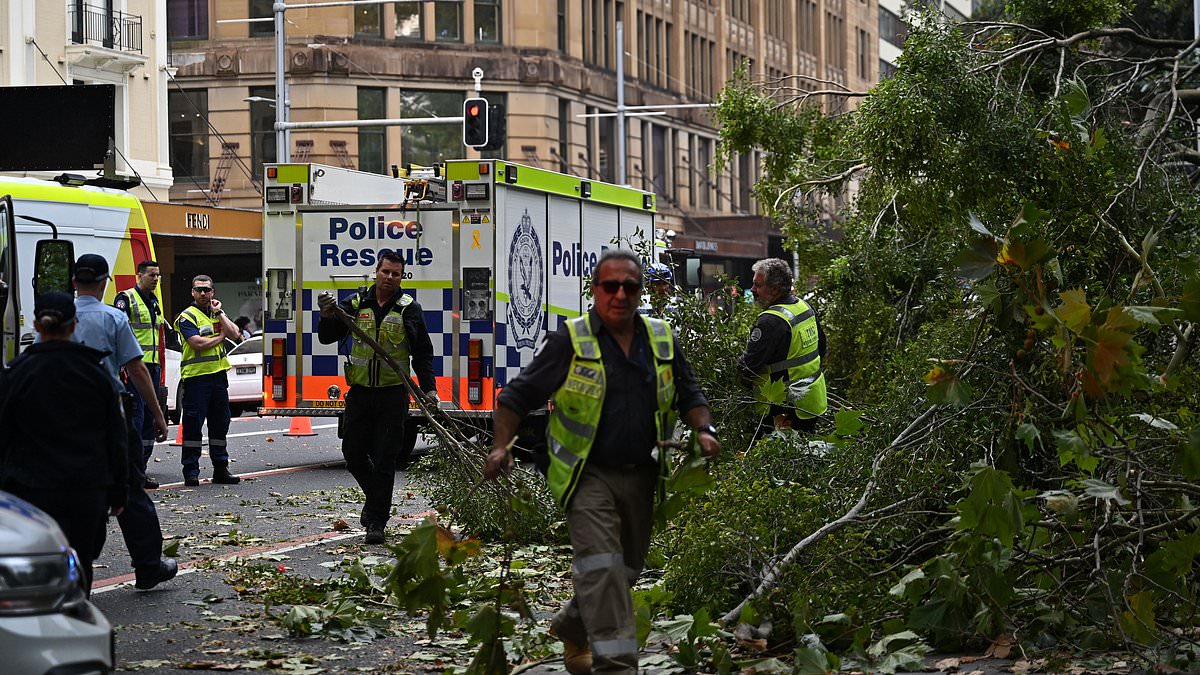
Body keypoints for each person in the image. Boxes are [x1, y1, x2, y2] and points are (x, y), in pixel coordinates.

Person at [483, 249, 720, 675]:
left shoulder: (661, 338)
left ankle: (573, 627)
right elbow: (514, 398)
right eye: (610, 286)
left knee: (623, 569)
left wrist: (705, 431)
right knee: (601, 566)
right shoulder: (571, 341)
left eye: (630, 287)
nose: (620, 295)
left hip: (642, 474)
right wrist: (501, 447)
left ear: (640, 291)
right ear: (595, 291)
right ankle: (618, 666)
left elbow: (691, 394)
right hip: (584, 475)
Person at [0, 292, 128, 594]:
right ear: (74, 325)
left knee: (36, 568)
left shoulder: (16, 374)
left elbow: (3, 434)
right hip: (86, 487)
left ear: (36, 325)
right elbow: (116, 436)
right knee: (81, 562)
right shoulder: (96, 373)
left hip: (31, 489)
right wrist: (120, 489)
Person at [71, 254, 178, 591]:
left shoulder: (59, 317)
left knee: (71, 493)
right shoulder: (113, 317)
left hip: (67, 418)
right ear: (104, 282)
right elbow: (137, 368)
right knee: (130, 488)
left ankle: (76, 577)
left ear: (74, 282)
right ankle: (148, 566)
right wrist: (158, 414)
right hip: (109, 416)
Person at [316, 251, 437, 545]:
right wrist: (327, 313)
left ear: (401, 276)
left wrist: (429, 389)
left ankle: (377, 523)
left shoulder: (409, 309)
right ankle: (376, 502)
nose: (390, 278)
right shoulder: (357, 304)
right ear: (376, 271)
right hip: (359, 394)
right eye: (386, 272)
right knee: (353, 454)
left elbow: (422, 351)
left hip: (393, 395)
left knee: (385, 459)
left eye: (396, 274)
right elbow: (326, 336)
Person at [737, 257, 827, 432]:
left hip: (783, 409)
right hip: (811, 401)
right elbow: (822, 348)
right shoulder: (804, 307)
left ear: (775, 289)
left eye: (758, 285)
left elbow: (748, 367)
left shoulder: (770, 321)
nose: (753, 290)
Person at [174, 274, 244, 486]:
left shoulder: (216, 314)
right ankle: (191, 472)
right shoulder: (187, 317)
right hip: (196, 378)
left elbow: (236, 334)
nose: (203, 293)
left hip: (218, 377)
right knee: (193, 426)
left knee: (220, 425)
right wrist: (220, 338)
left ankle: (221, 469)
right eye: (198, 290)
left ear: (213, 292)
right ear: (192, 293)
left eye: (206, 290)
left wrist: (220, 313)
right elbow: (197, 343)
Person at [114, 260, 165, 489]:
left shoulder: (154, 302)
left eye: (158, 275)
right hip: (133, 367)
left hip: (152, 367)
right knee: (136, 419)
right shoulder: (125, 299)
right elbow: (120, 330)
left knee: (147, 423)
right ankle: (130, 472)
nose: (155, 279)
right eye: (151, 275)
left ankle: (140, 470)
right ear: (139, 275)